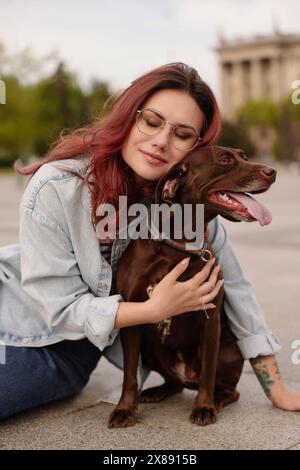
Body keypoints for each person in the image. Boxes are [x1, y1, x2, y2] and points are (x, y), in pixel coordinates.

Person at [0, 62, 299, 421]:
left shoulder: (186, 202)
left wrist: (275, 387)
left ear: (194, 150)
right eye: (152, 122)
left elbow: (234, 286)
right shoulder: (57, 187)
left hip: (62, 351)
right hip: (23, 324)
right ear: (129, 117)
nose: (161, 141)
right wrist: (152, 310)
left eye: (183, 134)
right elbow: (60, 311)